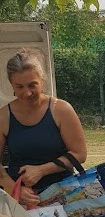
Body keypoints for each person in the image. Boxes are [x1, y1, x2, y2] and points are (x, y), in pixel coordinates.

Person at [0, 50, 87, 205]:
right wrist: (14, 189)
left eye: (32, 85)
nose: (27, 93)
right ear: (11, 84)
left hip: (64, 197)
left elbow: (79, 154)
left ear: (42, 80)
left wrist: (41, 170)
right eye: (19, 87)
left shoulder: (61, 110)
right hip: (21, 202)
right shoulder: (3, 116)